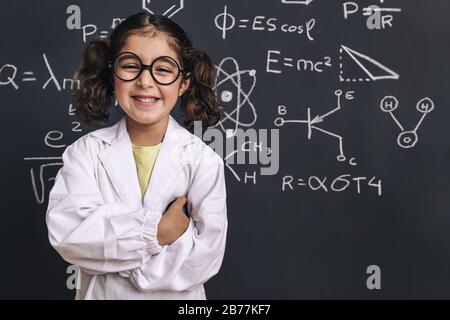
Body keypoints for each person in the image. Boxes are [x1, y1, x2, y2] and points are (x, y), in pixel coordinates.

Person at [46, 12, 228, 300]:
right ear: (112, 74)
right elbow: (69, 236)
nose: (145, 81)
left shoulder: (203, 160)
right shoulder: (84, 153)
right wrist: (158, 234)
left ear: (184, 83)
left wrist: (119, 254)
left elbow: (205, 258)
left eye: (164, 69)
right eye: (131, 66)